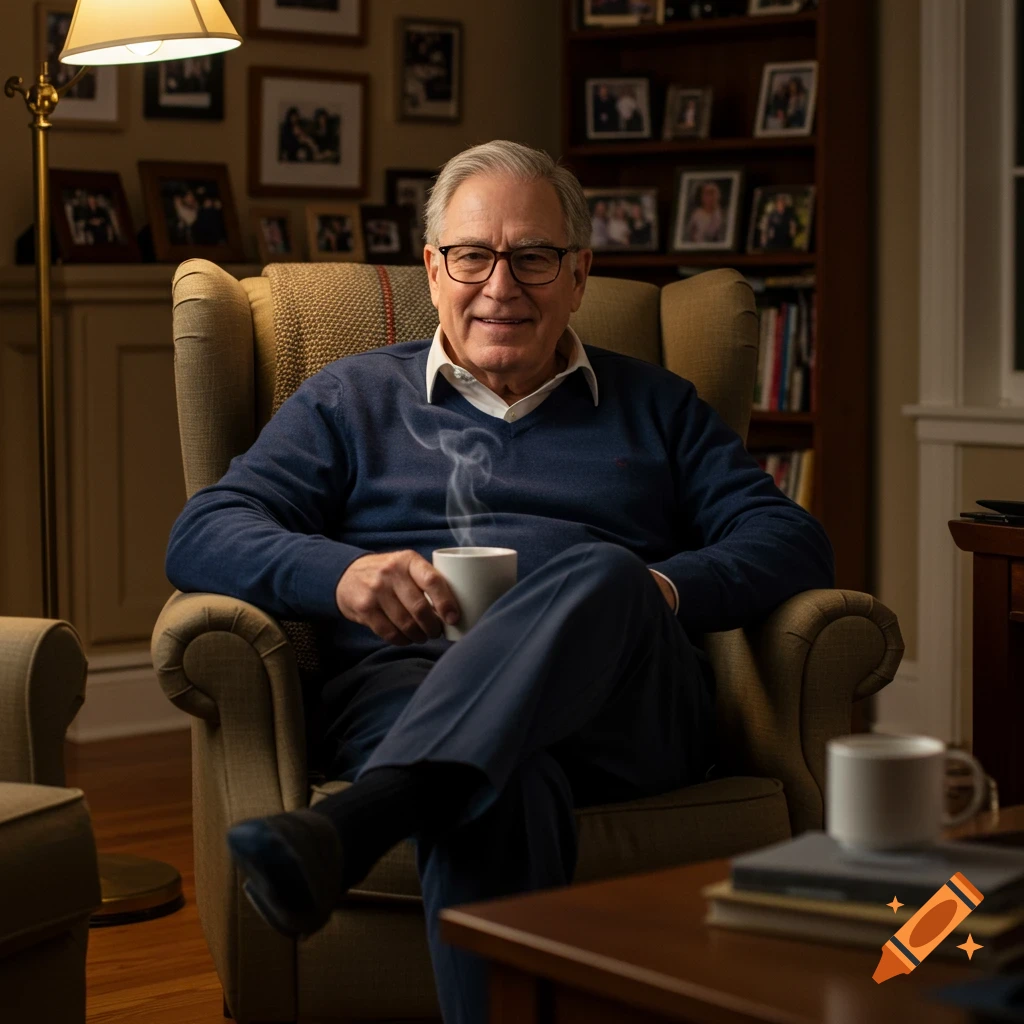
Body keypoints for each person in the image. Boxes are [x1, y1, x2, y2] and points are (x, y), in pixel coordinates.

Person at [164, 139, 834, 1024]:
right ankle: (420, 788)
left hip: (626, 708)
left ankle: (362, 820)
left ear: (581, 271)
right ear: (435, 269)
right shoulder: (348, 399)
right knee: (497, 785)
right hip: (409, 684)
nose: (501, 285)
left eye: (534, 257)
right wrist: (341, 574)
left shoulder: (657, 404)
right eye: (474, 255)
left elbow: (790, 539)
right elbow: (204, 530)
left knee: (604, 572)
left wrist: (656, 595)